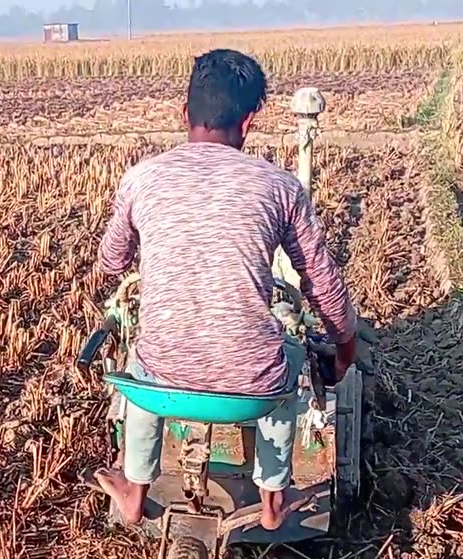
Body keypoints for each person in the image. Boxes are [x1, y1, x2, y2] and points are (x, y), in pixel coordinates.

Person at [92, 48, 362, 532]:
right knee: (291, 360)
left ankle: (135, 489)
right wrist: (344, 346)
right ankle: (274, 498)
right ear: (250, 119)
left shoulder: (141, 179)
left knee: (140, 361)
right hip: (249, 391)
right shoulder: (279, 188)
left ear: (184, 113)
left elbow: (111, 262)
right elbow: (319, 281)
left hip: (160, 387)